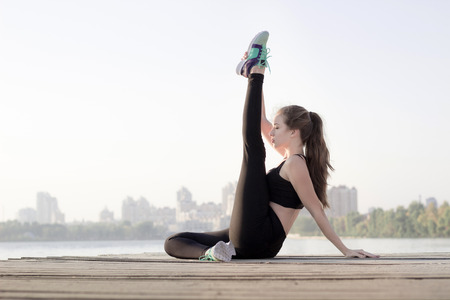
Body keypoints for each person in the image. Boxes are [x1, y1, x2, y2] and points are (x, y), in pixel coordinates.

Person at [164, 31, 379, 261]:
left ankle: (257, 69)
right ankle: (211, 254)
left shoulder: (296, 164)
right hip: (254, 240)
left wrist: (345, 249)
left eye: (277, 127)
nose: (272, 131)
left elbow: (316, 210)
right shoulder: (289, 159)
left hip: (260, 237)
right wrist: (250, 81)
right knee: (173, 241)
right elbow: (260, 119)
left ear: (293, 132)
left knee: (253, 151)